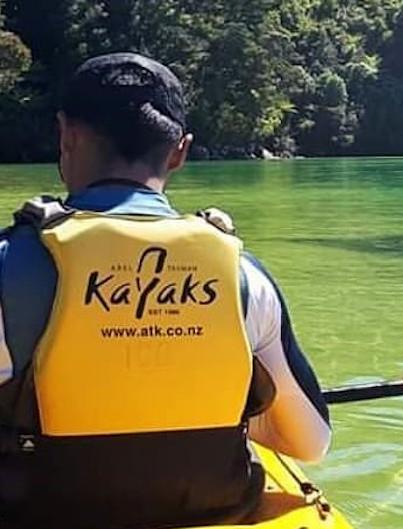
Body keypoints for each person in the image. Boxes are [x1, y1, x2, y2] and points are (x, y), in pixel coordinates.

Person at [0, 53, 331, 528]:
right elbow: (311, 444)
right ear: (180, 151)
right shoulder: (244, 276)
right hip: (214, 511)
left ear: (66, 135)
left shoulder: (10, 264)